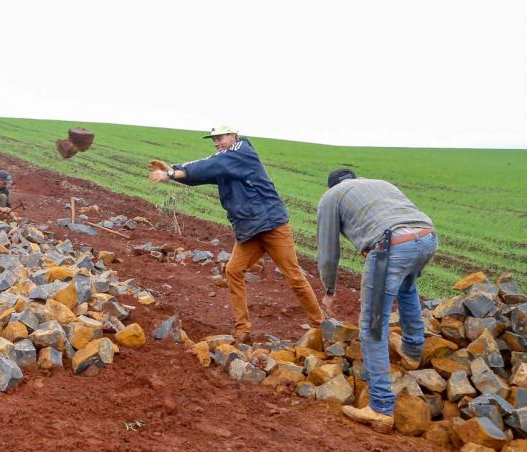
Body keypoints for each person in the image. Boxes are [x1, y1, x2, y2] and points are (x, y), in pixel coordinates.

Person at [149, 124, 324, 344]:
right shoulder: (224, 162)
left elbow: (212, 163)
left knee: (293, 275)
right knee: (233, 270)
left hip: (272, 225)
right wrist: (173, 173)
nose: (216, 142)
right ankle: (243, 329)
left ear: (233, 136)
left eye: (220, 138)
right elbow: (201, 173)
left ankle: (320, 325)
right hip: (249, 231)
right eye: (214, 139)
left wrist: (172, 172)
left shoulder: (242, 152)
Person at [317, 169, 437, 428]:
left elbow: (328, 250)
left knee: (372, 326)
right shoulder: (380, 182)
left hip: (391, 245)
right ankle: (413, 352)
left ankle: (381, 407)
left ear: (330, 187)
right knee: (407, 288)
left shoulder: (331, 197)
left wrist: (329, 290)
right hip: (427, 236)